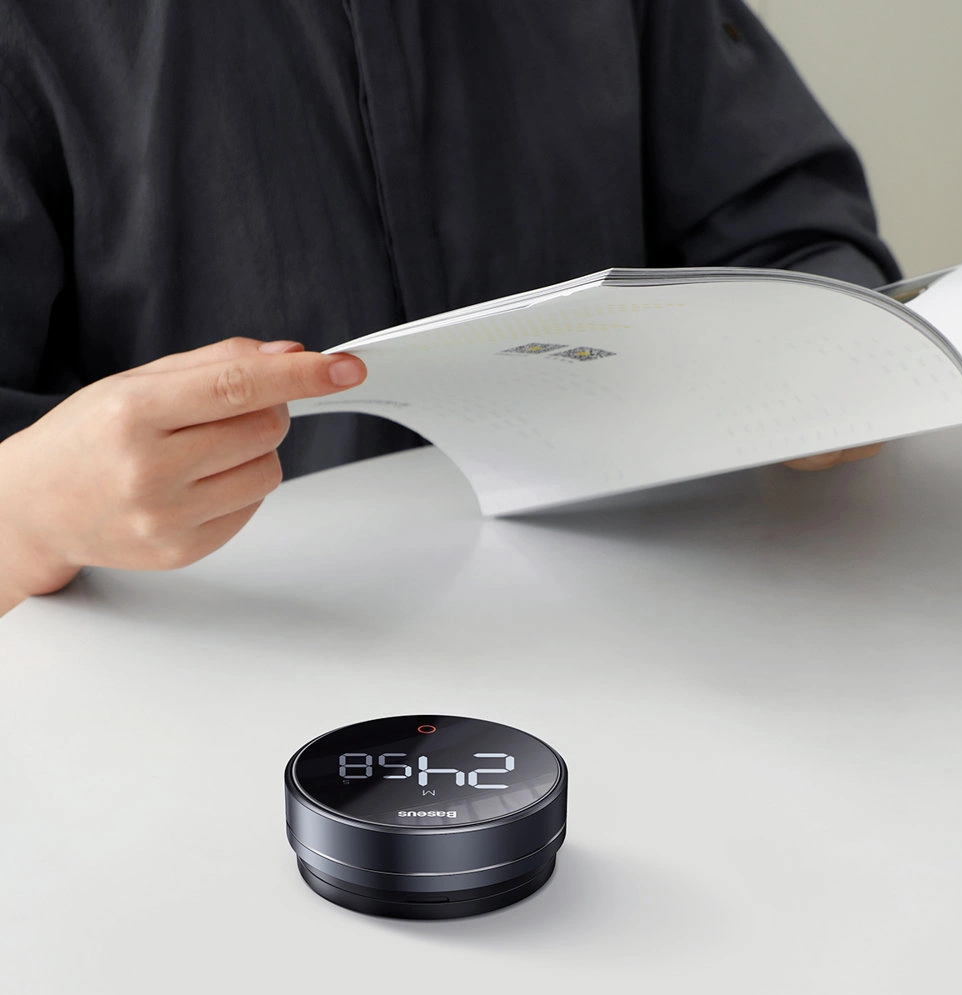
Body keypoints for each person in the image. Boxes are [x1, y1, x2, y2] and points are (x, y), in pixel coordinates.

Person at [0, 0, 897, 616]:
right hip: (213, 685)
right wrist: (30, 511)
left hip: (666, 629)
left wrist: (831, 361)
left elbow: (795, 236)